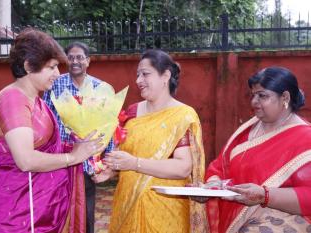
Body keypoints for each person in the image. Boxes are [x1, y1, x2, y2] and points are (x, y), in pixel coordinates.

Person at [0, 28, 104, 233]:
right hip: (18, 213)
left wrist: (78, 146)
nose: (58, 74)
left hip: (42, 207)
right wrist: (72, 157)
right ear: (29, 66)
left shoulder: (38, 102)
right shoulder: (13, 100)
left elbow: (49, 146)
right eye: (52, 67)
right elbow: (26, 160)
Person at [98, 49, 208, 233]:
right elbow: (123, 156)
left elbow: (183, 168)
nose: (138, 80)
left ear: (165, 76)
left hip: (165, 209)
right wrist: (109, 171)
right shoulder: (132, 112)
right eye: (137, 75)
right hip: (127, 203)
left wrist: (134, 163)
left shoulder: (182, 116)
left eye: (145, 74)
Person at [201, 67, 311, 233]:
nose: (254, 101)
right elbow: (219, 166)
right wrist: (211, 187)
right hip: (239, 219)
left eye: (262, 96)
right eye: (253, 95)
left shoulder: (305, 138)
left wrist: (264, 195)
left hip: (286, 218)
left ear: (285, 97)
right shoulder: (247, 129)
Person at [42, 41, 113, 233]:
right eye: (71, 57)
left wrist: (106, 163)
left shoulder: (100, 88)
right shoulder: (55, 84)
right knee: (58, 212)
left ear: (88, 61)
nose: (75, 61)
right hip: (59, 159)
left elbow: (108, 127)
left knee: (86, 212)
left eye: (80, 57)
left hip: (87, 161)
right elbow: (44, 116)